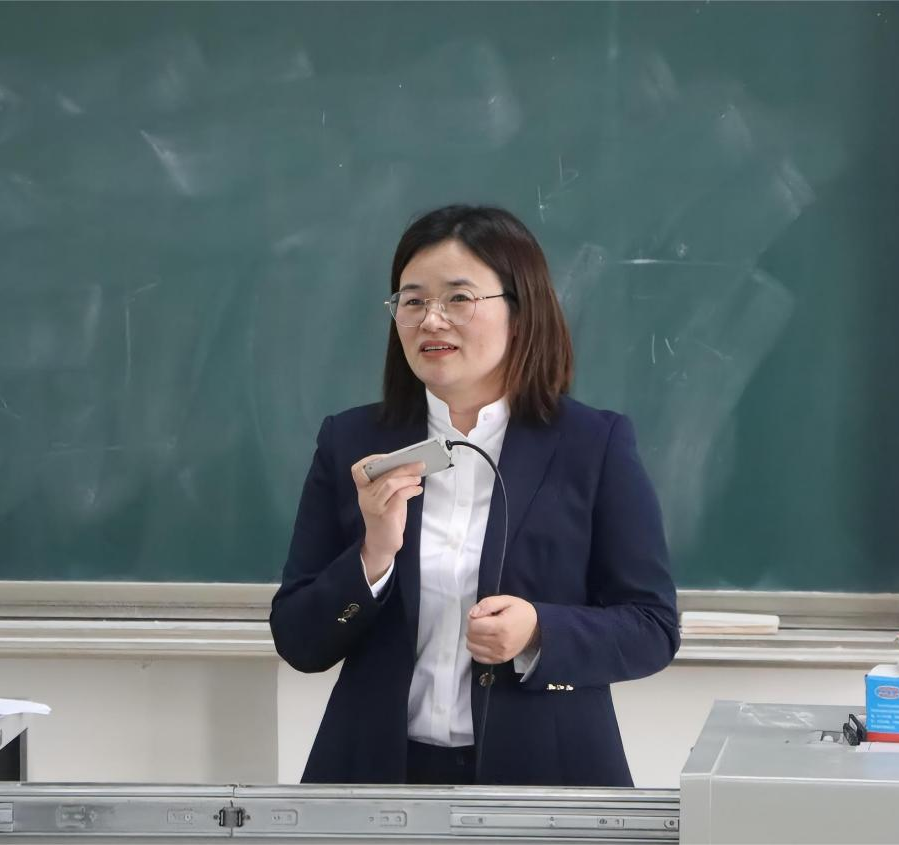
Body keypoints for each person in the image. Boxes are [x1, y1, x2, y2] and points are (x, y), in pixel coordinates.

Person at [270, 205, 679, 787]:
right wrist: (373, 556)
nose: (431, 320)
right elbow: (299, 640)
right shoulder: (353, 443)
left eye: (458, 298)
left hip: (545, 781)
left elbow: (652, 627)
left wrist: (539, 630)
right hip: (378, 779)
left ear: (520, 310)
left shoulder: (593, 444)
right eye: (412, 301)